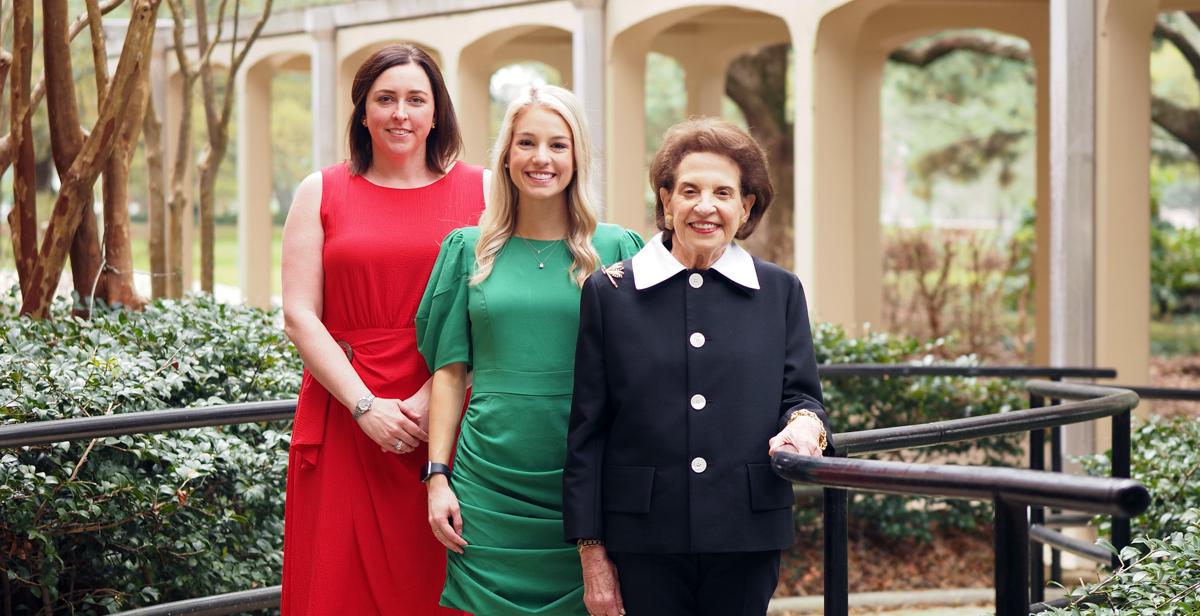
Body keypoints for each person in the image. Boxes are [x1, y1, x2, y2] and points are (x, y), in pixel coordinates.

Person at [562, 117, 833, 616]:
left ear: (745, 206)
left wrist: (803, 425)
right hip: (643, 536)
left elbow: (802, 396)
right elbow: (588, 430)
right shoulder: (610, 293)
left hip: (747, 531)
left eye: (723, 193)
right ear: (666, 201)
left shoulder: (780, 291)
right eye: (689, 190)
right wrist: (591, 552)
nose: (705, 206)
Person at [416, 84, 644, 615]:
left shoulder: (618, 251)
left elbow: (640, 376)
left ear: (577, 157)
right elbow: (449, 374)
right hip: (489, 483)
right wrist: (436, 478)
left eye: (558, 145)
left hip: (587, 481)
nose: (541, 159)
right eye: (526, 143)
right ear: (506, 155)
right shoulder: (467, 250)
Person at [280, 43, 485, 615]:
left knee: (440, 579)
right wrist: (365, 406)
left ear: (437, 112)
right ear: (363, 112)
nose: (401, 113)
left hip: (448, 418)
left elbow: (494, 312)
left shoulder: (485, 191)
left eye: (416, 99)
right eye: (385, 99)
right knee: (336, 587)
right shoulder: (319, 190)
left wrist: (432, 397)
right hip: (345, 413)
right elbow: (299, 314)